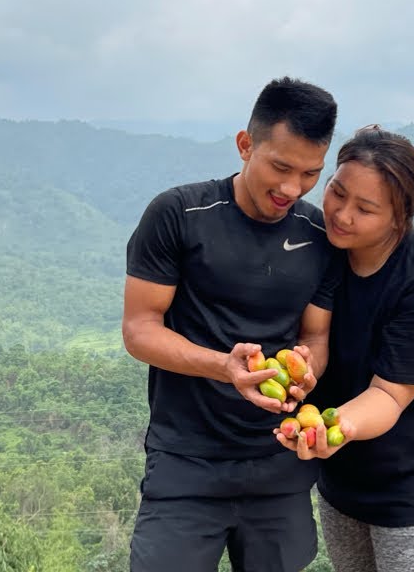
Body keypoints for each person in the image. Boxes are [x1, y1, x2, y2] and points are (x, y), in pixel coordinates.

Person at [123, 77, 340, 572]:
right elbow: (139, 329)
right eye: (280, 167)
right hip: (185, 463)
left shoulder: (318, 236)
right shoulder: (179, 215)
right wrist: (225, 366)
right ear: (245, 145)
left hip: (279, 466)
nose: (292, 188)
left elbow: (315, 336)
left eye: (310, 173)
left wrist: (309, 370)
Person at [276, 125, 414, 572]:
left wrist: (329, 428)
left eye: (364, 209)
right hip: (342, 481)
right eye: (337, 193)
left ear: (399, 218)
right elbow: (315, 337)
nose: (341, 215)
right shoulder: (324, 248)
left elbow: (389, 395)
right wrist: (301, 370)